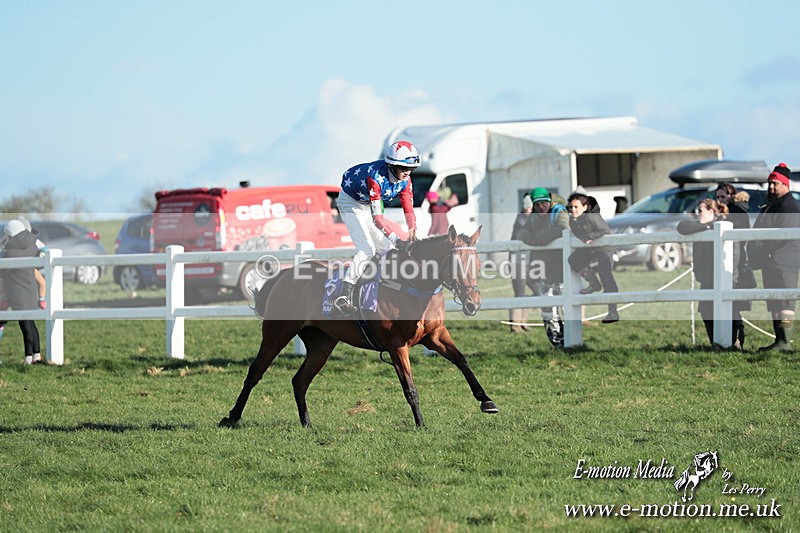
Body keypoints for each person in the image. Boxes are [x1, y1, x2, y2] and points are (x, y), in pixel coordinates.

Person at [334, 140, 419, 315]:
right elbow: (378, 220)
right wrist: (397, 239)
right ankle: (342, 296)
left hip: (365, 202)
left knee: (386, 249)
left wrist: (412, 231)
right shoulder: (376, 178)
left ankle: (376, 290)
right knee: (367, 249)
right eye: (403, 168)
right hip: (350, 202)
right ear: (392, 165)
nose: (407, 172)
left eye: (410, 169)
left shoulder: (406, 180)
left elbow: (408, 207)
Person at [678, 199, 745, 349]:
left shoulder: (727, 227)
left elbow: (734, 255)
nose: (697, 214)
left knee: (729, 311)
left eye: (700, 210)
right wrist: (706, 226)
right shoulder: (701, 227)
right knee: (706, 310)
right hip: (708, 279)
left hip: (726, 279)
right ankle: (716, 343)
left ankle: (733, 343)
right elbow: (681, 227)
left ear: (712, 211)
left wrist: (727, 276)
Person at [748, 163, 800, 352]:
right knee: (775, 302)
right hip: (771, 261)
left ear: (785, 184)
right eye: (770, 183)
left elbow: (788, 235)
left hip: (785, 262)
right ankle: (778, 340)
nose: (771, 187)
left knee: (786, 302)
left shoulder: (789, 206)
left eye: (775, 183)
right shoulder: (773, 203)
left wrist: (768, 250)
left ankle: (784, 342)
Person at [517, 187, 570, 345]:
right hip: (544, 268)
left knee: (566, 306)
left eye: (544, 203)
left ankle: (572, 341)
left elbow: (564, 229)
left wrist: (538, 238)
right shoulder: (534, 217)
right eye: (537, 204)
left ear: (549, 201)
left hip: (562, 267)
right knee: (547, 308)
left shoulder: (560, 212)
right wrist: (532, 239)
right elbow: (522, 232)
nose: (541, 207)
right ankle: (557, 343)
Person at [566, 192, 620, 324]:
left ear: (585, 207)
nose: (573, 210)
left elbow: (604, 231)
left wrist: (590, 236)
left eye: (576, 207)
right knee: (573, 260)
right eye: (571, 207)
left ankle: (613, 311)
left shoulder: (592, 217)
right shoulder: (572, 220)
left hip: (605, 248)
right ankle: (593, 283)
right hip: (591, 248)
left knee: (605, 275)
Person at [0, 219, 43, 364]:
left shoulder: (9, 253)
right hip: (31, 290)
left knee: (25, 326)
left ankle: (28, 358)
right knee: (31, 324)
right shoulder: (32, 246)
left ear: (10, 235)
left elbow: (4, 274)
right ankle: (37, 355)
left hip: (18, 292)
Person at [715, 183, 753, 348]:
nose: (719, 200)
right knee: (731, 302)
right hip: (728, 260)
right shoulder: (729, 211)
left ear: (731, 196)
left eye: (722, 197)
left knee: (733, 302)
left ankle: (737, 337)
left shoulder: (737, 211)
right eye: (717, 197)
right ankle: (731, 338)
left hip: (737, 262)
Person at [508, 193, 534, 333]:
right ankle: (515, 325)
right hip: (517, 262)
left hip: (530, 262)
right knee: (519, 293)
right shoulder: (522, 219)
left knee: (539, 291)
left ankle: (522, 320)